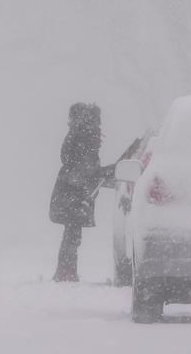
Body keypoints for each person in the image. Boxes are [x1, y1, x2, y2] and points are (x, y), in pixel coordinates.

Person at [48, 102, 116, 282]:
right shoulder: (84, 138)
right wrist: (108, 172)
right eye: (97, 122)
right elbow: (86, 171)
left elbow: (82, 168)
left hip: (70, 192)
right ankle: (65, 273)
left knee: (72, 233)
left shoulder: (77, 136)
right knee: (72, 234)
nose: (99, 127)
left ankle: (65, 272)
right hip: (74, 194)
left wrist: (105, 173)